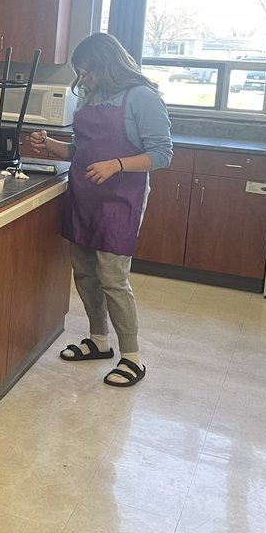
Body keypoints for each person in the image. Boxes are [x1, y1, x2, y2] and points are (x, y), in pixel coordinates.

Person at [28, 32, 172, 389]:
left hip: (121, 200)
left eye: (87, 72)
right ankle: (98, 340)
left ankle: (132, 357)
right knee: (86, 274)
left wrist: (118, 165)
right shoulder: (92, 96)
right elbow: (82, 151)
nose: (83, 80)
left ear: (106, 65)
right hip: (84, 195)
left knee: (112, 278)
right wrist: (50, 145)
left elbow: (163, 154)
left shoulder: (142, 97)